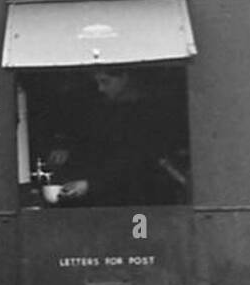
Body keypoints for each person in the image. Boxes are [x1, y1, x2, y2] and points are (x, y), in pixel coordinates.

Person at [56, 67, 189, 206]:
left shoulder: (148, 115)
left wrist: (91, 185)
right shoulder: (104, 112)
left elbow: (136, 159)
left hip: (143, 199)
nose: (100, 89)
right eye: (98, 83)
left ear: (124, 78)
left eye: (105, 82)